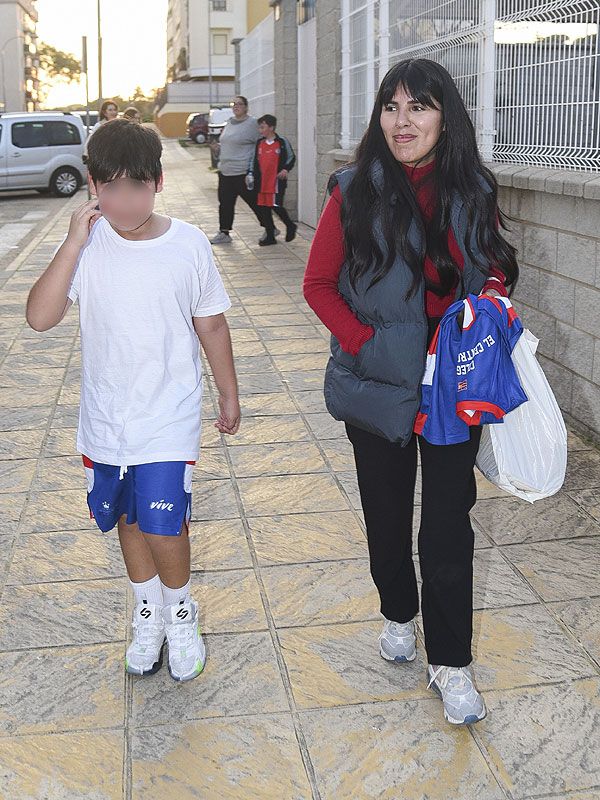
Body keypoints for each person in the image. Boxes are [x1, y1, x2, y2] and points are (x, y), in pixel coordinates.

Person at [303, 58, 519, 726]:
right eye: (392, 107)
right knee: (388, 522)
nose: (403, 121)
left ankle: (451, 662)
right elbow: (318, 284)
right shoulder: (353, 190)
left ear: (443, 116)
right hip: (378, 386)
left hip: (452, 390)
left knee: (448, 527)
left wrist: (489, 299)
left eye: (418, 107)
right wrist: (369, 347)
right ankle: (398, 613)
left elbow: (495, 270)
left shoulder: (472, 188)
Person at [26, 119, 241, 683]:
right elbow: (39, 317)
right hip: (106, 419)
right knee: (127, 518)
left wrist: (228, 392)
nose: (123, 201)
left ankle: (180, 612)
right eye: (110, 187)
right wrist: (74, 241)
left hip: (168, 416)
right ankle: (147, 611)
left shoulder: (188, 244)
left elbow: (211, 324)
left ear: (160, 181)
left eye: (136, 186)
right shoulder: (88, 246)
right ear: (92, 186)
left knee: (164, 523)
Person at [209, 96, 267, 245]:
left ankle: (269, 227)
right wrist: (217, 149)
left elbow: (261, 144)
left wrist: (256, 168)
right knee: (225, 203)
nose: (236, 106)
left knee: (254, 202)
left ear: (246, 107)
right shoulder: (229, 122)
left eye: (239, 104)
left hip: (242, 172)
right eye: (234, 104)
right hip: (225, 171)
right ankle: (224, 232)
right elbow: (228, 144)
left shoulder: (253, 123)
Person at [247, 114, 297, 246]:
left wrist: (286, 169)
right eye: (259, 127)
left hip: (275, 183)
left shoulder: (281, 142)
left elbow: (291, 157)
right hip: (261, 182)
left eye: (262, 127)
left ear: (271, 127)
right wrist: (250, 173)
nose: (260, 130)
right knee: (263, 208)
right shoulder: (260, 143)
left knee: (276, 206)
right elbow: (253, 160)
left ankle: (290, 225)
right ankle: (270, 236)